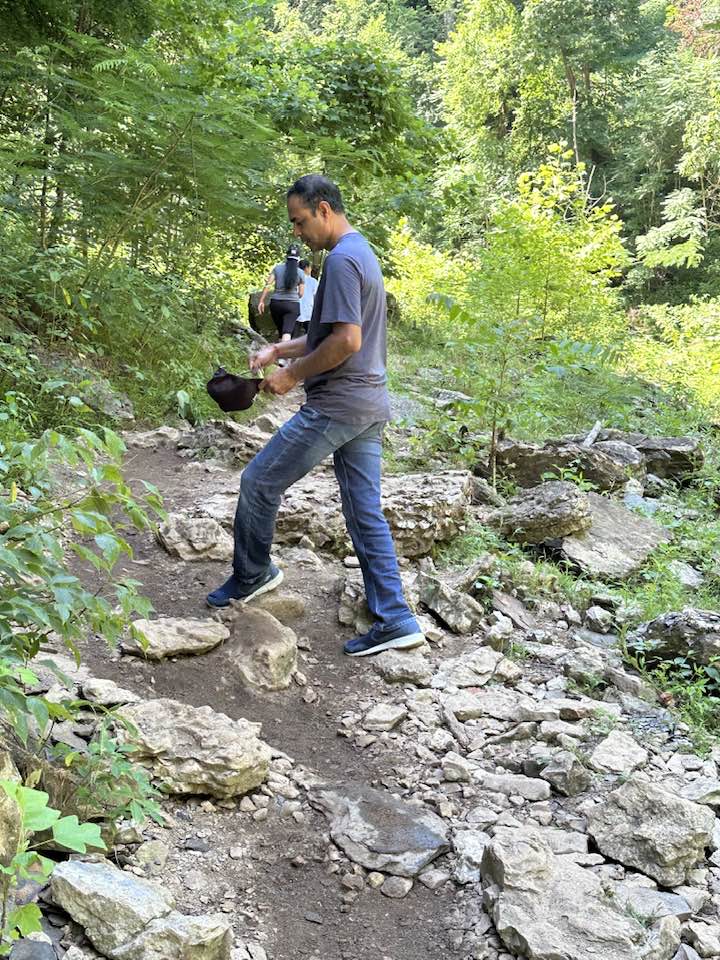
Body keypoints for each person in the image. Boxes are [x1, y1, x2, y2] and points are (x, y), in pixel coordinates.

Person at [207, 174, 423, 658]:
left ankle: (253, 575)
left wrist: (291, 376)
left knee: (259, 482)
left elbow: (347, 343)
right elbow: (329, 333)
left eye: (300, 222)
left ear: (323, 209)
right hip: (368, 405)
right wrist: (279, 350)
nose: (298, 233)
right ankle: (395, 617)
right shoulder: (359, 253)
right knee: (364, 511)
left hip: (338, 405)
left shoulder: (344, 262)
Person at [257, 244, 305, 346]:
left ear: (286, 256)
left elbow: (268, 285)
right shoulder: (300, 273)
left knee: (281, 331)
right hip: (292, 305)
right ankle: (284, 358)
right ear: (298, 259)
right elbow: (301, 293)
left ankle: (279, 355)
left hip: (276, 304)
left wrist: (261, 301)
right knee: (287, 332)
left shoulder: (277, 269)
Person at [297, 258, 318, 334]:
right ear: (306, 268)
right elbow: (316, 297)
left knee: (293, 335)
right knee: (310, 334)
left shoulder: (295, 280)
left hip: (296, 310)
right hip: (309, 311)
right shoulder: (313, 281)